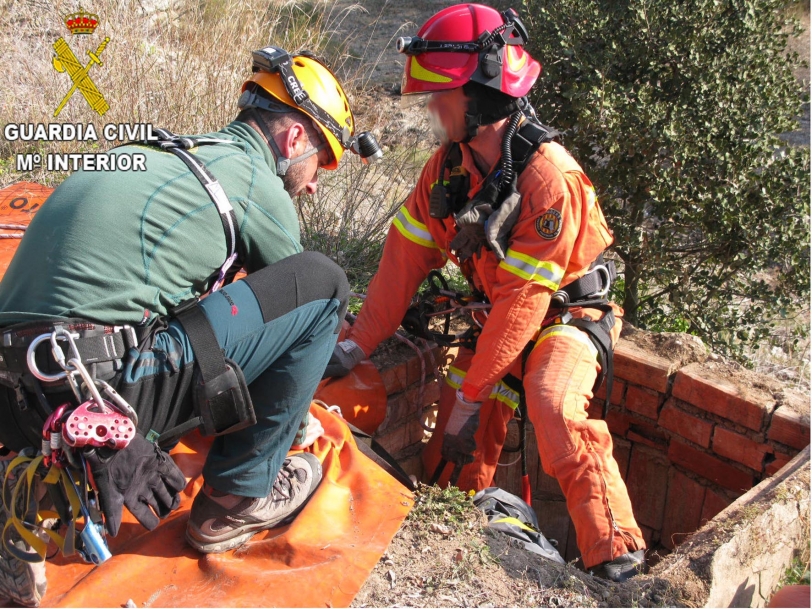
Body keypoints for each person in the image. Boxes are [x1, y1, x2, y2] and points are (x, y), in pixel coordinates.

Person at [0, 47, 378, 606]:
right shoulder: (253, 181)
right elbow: (298, 306)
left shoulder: (157, 152)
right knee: (324, 283)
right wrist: (293, 425)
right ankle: (234, 504)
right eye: (321, 163)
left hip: (16, 398)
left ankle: (27, 498)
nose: (315, 184)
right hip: (101, 398)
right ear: (295, 139)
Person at [325, 4, 647, 582]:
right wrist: (356, 345)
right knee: (451, 442)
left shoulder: (550, 180)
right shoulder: (447, 169)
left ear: (481, 94)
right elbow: (402, 262)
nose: (431, 106)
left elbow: (525, 302)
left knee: (550, 400)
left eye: (440, 94)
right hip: (497, 322)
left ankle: (618, 561)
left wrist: (476, 396)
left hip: (565, 319)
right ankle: (454, 525)